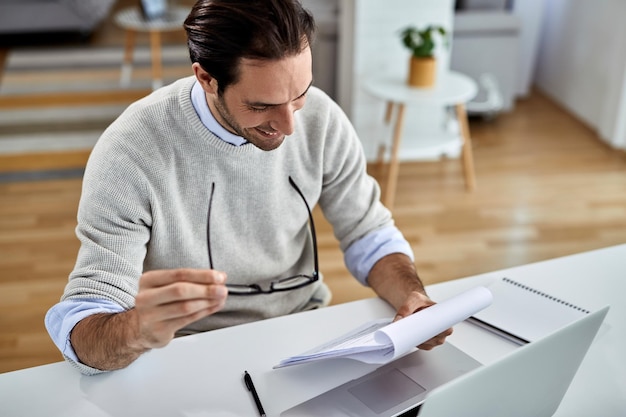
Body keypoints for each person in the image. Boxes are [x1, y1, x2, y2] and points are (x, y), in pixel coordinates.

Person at [45, 0, 452, 375]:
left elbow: (369, 233)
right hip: (186, 352)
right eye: (261, 106)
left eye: (299, 95)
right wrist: (138, 328)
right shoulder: (131, 151)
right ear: (206, 77)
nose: (290, 126)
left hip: (303, 335)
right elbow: (83, 321)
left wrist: (412, 298)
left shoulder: (322, 119)